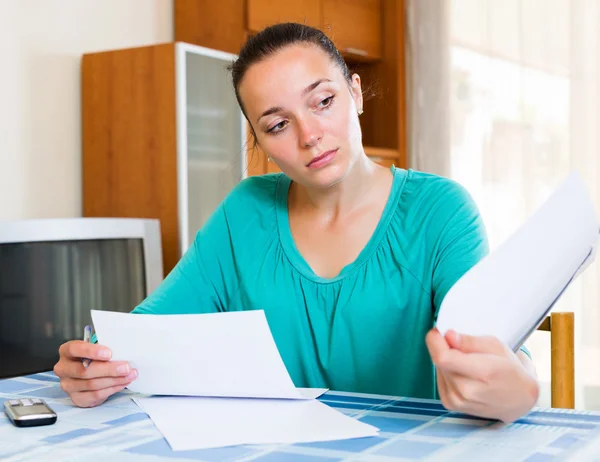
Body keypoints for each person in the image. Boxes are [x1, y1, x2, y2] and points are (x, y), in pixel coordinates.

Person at [54, 23, 539, 422]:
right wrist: (93, 362)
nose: (310, 135)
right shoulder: (244, 213)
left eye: (323, 101)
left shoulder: (441, 212)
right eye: (278, 124)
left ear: (355, 93)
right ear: (259, 141)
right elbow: (144, 333)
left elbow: (492, 357)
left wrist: (517, 390)